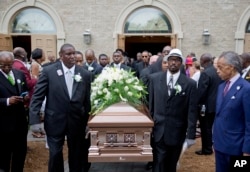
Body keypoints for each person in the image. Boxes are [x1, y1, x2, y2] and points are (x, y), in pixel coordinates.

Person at [29, 43, 92, 172]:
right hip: (54, 120)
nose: (72, 56)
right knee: (55, 153)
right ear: (61, 55)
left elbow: (87, 100)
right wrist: (34, 121)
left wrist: (88, 121)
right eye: (68, 54)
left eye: (74, 53)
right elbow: (37, 97)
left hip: (76, 121)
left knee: (76, 154)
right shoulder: (49, 71)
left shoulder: (84, 74)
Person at [148, 48, 197, 172]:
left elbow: (192, 110)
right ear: (167, 61)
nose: (173, 63)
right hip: (158, 130)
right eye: (171, 60)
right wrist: (150, 125)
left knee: (171, 164)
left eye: (177, 60)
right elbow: (151, 105)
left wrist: (191, 135)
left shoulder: (189, 83)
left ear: (181, 63)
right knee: (158, 162)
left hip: (177, 131)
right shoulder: (154, 79)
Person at [213, 51, 250, 172]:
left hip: (237, 147)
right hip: (220, 145)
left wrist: (247, 150)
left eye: (220, 67)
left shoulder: (246, 89)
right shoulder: (221, 86)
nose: (217, 70)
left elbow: (249, 122)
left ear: (231, 67)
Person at [0, 51, 29, 172]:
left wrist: (26, 96)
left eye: (9, 65)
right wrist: (7, 101)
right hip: (3, 124)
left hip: (20, 123)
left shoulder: (19, 74)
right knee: (4, 156)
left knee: (20, 154)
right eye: (3, 65)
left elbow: (25, 89)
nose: (6, 68)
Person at [195, 53, 221, 156]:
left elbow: (202, 91)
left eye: (200, 60)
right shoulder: (216, 71)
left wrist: (196, 102)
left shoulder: (205, 73)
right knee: (211, 128)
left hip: (206, 106)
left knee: (205, 128)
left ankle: (206, 149)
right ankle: (210, 146)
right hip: (216, 104)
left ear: (203, 61)